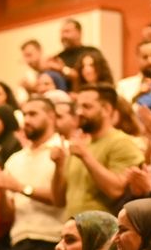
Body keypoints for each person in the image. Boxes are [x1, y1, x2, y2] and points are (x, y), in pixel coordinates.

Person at [0, 96, 69, 250]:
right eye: (25, 114)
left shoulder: (63, 151)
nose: (26, 120)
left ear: (51, 116)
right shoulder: (15, 159)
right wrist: (1, 191)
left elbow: (60, 199)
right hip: (18, 242)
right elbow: (6, 216)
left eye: (33, 114)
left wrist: (20, 188)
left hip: (53, 240)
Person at [62, 84, 146, 217]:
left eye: (87, 106)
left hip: (103, 226)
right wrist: (58, 163)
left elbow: (116, 190)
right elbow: (59, 199)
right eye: (78, 106)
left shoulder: (122, 143)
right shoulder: (80, 144)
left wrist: (85, 156)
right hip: (71, 225)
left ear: (106, 109)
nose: (79, 112)